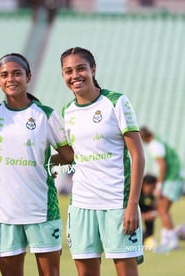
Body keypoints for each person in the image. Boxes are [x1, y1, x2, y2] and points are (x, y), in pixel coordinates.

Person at [60, 47, 145, 276]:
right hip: (81, 205)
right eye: (68, 71)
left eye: (81, 68)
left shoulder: (116, 102)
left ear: (93, 70)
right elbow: (72, 154)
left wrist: (132, 205)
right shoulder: (67, 111)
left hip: (117, 203)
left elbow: (137, 155)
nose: (75, 75)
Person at [0, 53, 74, 276]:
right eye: (4, 75)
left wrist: (46, 163)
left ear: (29, 77)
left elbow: (69, 155)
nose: (11, 79)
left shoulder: (45, 115)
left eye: (17, 73)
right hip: (4, 214)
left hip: (42, 210)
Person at [139, 126, 184, 251]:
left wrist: (159, 185)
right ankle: (166, 239)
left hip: (171, 179)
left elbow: (162, 165)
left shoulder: (154, 144)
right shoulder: (160, 140)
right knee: (163, 209)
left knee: (162, 210)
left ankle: (172, 241)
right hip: (176, 178)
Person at [139, 174, 157, 248]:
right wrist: (145, 216)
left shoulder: (150, 195)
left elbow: (154, 207)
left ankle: (146, 237)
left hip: (144, 212)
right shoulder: (137, 194)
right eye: (152, 188)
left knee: (150, 214)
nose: (153, 190)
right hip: (134, 214)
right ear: (145, 185)